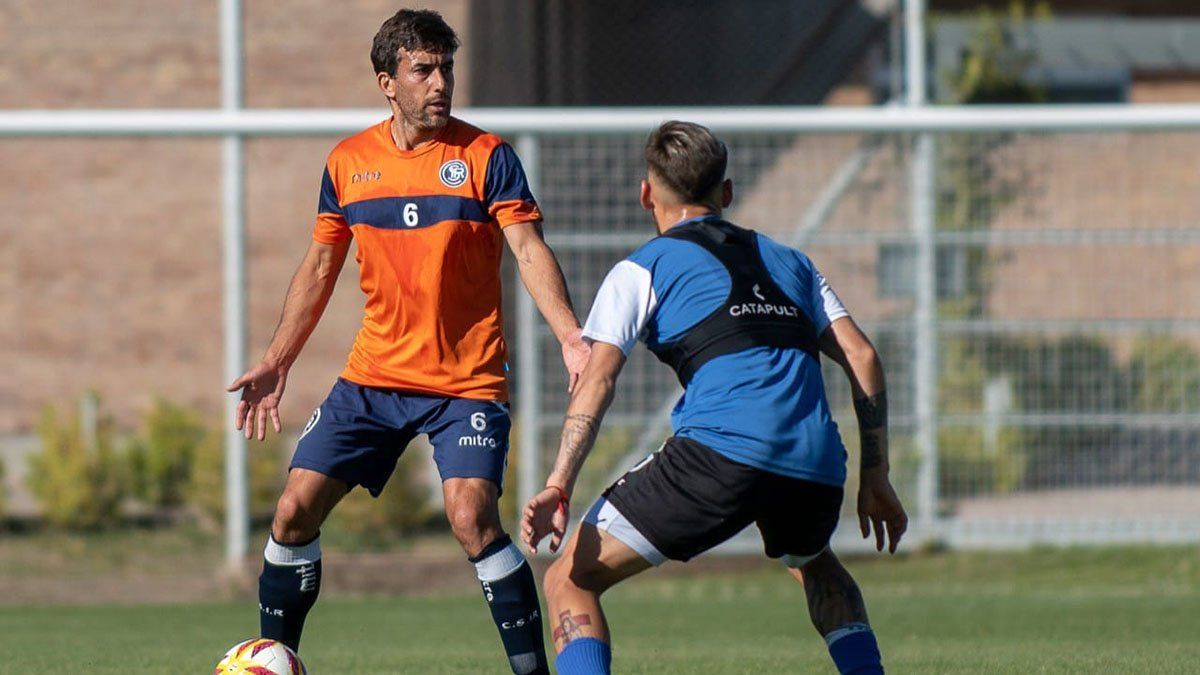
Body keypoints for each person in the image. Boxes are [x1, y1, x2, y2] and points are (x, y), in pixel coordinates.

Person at [227, 9, 587, 675]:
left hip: (466, 381)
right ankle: (275, 662)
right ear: (387, 82)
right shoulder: (348, 163)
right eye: (423, 69)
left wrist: (570, 335)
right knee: (293, 509)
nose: (439, 81)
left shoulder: (486, 157)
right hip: (374, 377)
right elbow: (317, 269)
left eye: (445, 67)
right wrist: (278, 359)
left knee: (471, 514)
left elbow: (529, 250)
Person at [521, 120, 908, 675]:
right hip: (815, 460)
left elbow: (598, 379)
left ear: (646, 193)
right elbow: (864, 358)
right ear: (726, 194)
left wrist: (560, 483)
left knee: (569, 578)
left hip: (720, 456)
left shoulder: (640, 268)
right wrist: (876, 475)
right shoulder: (793, 262)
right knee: (815, 562)